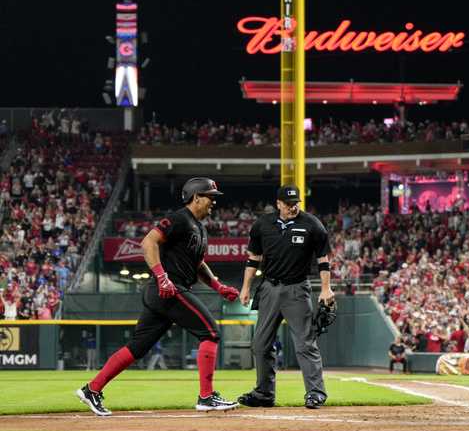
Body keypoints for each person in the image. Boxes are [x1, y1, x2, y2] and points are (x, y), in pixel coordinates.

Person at [76, 177, 239, 416]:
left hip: (166, 291)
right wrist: (162, 276)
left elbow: (198, 264)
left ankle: (92, 389)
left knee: (137, 347)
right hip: (169, 289)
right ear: (196, 197)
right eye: (210, 197)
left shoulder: (199, 227)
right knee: (210, 333)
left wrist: (217, 285)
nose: (213, 202)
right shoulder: (179, 218)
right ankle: (206, 397)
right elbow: (147, 242)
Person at [238, 185, 335, 410]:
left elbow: (323, 260)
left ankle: (316, 393)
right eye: (289, 203)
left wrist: (326, 289)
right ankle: (264, 394)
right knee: (260, 344)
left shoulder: (312, 224)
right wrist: (245, 288)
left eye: (296, 203)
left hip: (297, 289)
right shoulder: (262, 225)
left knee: (305, 344)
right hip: (269, 289)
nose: (293, 207)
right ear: (278, 203)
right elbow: (252, 260)